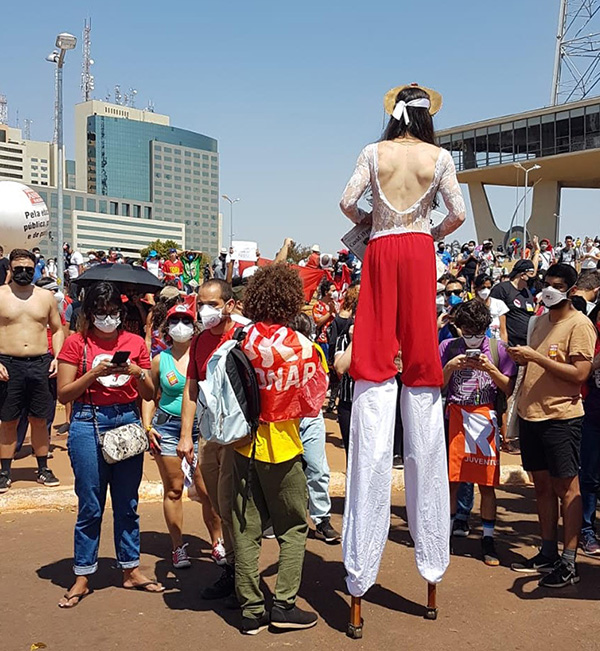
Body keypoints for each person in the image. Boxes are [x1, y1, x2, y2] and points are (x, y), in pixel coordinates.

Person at [339, 83, 465, 598]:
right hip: (417, 251)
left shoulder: (374, 153)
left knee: (373, 360)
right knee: (420, 365)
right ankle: (431, 559)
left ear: (393, 114)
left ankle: (361, 568)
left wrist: (374, 222)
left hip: (383, 247)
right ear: (427, 115)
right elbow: (456, 214)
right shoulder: (439, 158)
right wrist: (427, 233)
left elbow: (347, 201)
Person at [226, 263, 326, 634]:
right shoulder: (304, 346)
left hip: (242, 445)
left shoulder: (240, 339)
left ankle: (251, 609)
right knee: (293, 528)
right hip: (284, 446)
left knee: (246, 529)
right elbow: (313, 403)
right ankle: (283, 605)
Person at [56, 281, 163, 607]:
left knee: (127, 503)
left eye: (113, 312)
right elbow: (64, 394)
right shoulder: (77, 344)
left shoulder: (134, 343)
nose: (107, 318)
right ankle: (83, 575)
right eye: (101, 313)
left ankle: (130, 569)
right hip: (88, 423)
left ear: (121, 312)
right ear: (89, 314)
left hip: (126, 421)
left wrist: (136, 372)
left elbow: (148, 395)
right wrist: (94, 373)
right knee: (90, 504)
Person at [509, 263, 596, 587]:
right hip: (532, 416)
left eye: (557, 285)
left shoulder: (580, 324)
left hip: (562, 418)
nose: (549, 289)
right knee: (542, 487)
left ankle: (569, 560)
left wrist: (536, 357)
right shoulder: (538, 322)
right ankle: (547, 551)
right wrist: (524, 358)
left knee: (567, 489)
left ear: (571, 290)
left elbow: (580, 374)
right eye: (546, 283)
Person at [142, 303, 224, 569]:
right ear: (167, 327)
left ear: (195, 326)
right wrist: (147, 426)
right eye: (175, 320)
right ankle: (178, 547)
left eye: (186, 321)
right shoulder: (159, 359)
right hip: (166, 427)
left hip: (202, 428)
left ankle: (217, 542)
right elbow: (150, 395)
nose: (181, 326)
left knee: (207, 491)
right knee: (174, 489)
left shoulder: (205, 357)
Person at [440, 300, 516, 566]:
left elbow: (508, 388)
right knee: (452, 481)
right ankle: (445, 536)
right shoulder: (448, 347)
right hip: (455, 419)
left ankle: (488, 539)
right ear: (459, 329)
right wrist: (451, 367)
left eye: (477, 332)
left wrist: (490, 369)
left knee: (487, 484)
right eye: (466, 331)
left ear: (485, 328)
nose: (471, 337)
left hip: (485, 420)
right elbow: (436, 385)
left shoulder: (498, 349)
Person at [179, 279, 238, 600]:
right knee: (217, 503)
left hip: (240, 439)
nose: (204, 310)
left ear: (229, 305)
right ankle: (232, 571)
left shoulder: (245, 336)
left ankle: (243, 576)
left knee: (235, 506)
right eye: (200, 303)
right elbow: (192, 390)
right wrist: (187, 435)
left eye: (212, 305)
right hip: (210, 436)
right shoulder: (200, 342)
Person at [0, 249, 64, 492]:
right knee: (8, 420)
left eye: (29, 269)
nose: (24, 273)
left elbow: (57, 329)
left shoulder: (46, 297)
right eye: (19, 269)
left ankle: (43, 468)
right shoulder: (1, 295)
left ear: (35, 268)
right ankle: (4, 471)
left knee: (40, 419)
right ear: (11, 270)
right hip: (8, 363)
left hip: (40, 362)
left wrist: (57, 357)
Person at [290, 313, 341, 544]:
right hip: (284, 419)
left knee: (318, 468)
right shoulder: (278, 352)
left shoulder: (315, 351)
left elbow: (323, 383)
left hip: (310, 417)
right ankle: (280, 517)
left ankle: (321, 519)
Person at [489, 259, 536, 346]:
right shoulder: (502, 289)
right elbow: (495, 314)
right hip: (509, 342)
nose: (533, 278)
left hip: (526, 342)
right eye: (531, 274)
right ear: (522, 275)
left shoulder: (527, 292)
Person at [473, 273, 509, 341]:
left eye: (488, 287)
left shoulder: (499, 304)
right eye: (483, 287)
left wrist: (503, 348)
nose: (486, 290)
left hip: (496, 342)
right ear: (476, 288)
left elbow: (503, 331)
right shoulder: (471, 306)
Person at [312, 280, 337, 359]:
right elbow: (318, 322)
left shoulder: (335, 304)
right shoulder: (318, 306)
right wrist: (329, 312)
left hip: (334, 338)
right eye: (333, 291)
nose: (335, 292)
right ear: (326, 292)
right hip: (323, 340)